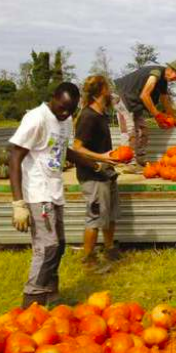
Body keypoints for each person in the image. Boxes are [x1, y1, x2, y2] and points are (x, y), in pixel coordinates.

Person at [9, 82, 99, 308]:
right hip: (37, 193)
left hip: (55, 192)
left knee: (59, 245)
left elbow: (63, 150)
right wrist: (18, 203)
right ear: (53, 98)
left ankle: (51, 296)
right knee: (47, 246)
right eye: (61, 108)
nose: (65, 113)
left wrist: (93, 164)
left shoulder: (66, 121)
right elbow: (15, 157)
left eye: (70, 109)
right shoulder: (36, 118)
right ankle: (31, 301)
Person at [72, 75, 122, 268]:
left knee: (110, 215)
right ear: (101, 90)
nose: (110, 91)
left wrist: (113, 157)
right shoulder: (88, 116)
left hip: (106, 172)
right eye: (108, 87)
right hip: (92, 175)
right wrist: (103, 158)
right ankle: (88, 257)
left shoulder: (102, 114)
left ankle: (110, 249)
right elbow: (77, 148)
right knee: (95, 217)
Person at [113, 60, 176, 171]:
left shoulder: (163, 81)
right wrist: (157, 115)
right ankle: (128, 162)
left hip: (134, 102)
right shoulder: (156, 73)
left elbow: (165, 100)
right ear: (171, 70)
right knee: (130, 129)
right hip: (122, 96)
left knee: (143, 130)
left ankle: (140, 159)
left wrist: (174, 120)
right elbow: (145, 95)